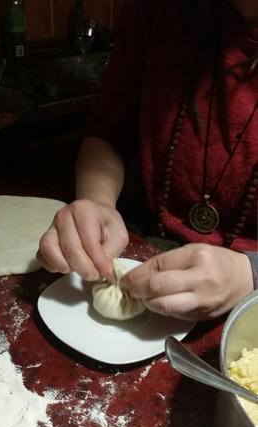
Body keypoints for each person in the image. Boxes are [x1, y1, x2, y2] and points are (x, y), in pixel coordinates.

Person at [37, 0, 258, 322]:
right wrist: (98, 202)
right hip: (146, 244)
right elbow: (108, 131)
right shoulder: (158, 10)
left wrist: (250, 273)